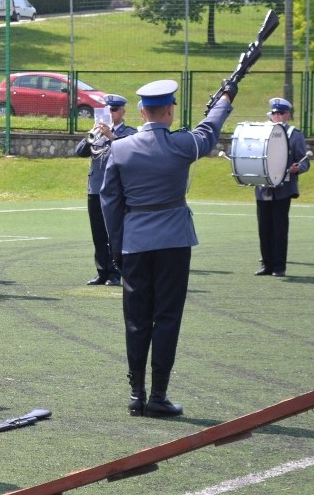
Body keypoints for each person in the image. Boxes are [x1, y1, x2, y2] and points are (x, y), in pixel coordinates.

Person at [101, 79, 236, 417]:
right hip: (174, 241)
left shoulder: (120, 148)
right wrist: (225, 98)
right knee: (167, 318)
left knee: (136, 320)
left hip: (135, 242)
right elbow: (210, 129)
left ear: (142, 111)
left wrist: (117, 247)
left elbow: (110, 203)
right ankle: (159, 394)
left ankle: (136, 394)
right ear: (171, 111)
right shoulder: (184, 145)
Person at [75, 94, 137, 287]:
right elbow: (79, 152)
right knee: (99, 233)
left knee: (115, 232)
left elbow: (129, 155)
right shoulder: (97, 132)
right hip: (95, 188)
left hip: (115, 191)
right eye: (107, 110)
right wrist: (90, 136)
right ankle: (102, 271)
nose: (110, 113)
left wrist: (112, 137)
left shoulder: (129, 133)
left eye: (114, 110)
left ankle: (116, 273)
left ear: (122, 111)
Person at [254, 97, 309, 277]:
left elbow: (304, 161)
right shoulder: (261, 132)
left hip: (283, 188)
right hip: (264, 188)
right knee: (264, 228)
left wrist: (298, 168)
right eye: (274, 113)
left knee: (279, 228)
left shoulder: (295, 134)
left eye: (281, 113)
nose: (277, 116)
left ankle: (279, 267)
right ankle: (266, 264)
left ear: (287, 115)